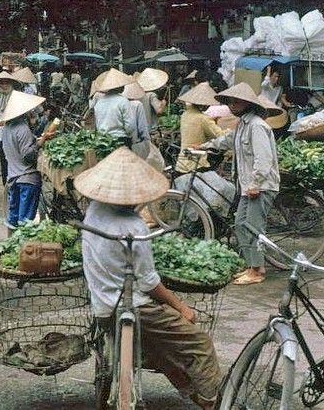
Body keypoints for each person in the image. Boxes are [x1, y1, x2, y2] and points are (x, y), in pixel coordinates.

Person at [74, 147, 222, 409]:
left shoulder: (93, 210)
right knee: (200, 344)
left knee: (161, 349)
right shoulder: (134, 226)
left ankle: (192, 393)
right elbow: (148, 282)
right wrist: (181, 306)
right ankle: (215, 403)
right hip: (134, 306)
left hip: (103, 307)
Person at [198, 83, 279, 285]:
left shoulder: (257, 126)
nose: (233, 105)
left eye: (237, 101)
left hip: (260, 186)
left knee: (253, 227)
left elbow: (264, 159)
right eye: (231, 101)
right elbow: (226, 141)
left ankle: (257, 271)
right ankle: (252, 265)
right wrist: (203, 146)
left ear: (248, 103)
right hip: (247, 185)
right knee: (240, 224)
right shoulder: (242, 125)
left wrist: (255, 184)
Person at [0, 91, 51, 231]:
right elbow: (28, 155)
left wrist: (34, 129)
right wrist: (43, 141)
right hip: (27, 178)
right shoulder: (22, 129)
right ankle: (23, 248)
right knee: (25, 223)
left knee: (13, 219)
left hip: (13, 177)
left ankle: (11, 247)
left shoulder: (6, 127)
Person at [175, 83, 227, 173]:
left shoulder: (185, 114)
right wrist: (231, 130)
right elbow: (219, 135)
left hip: (182, 160)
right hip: (196, 161)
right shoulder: (203, 118)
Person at [0, 71, 23, 185]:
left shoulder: (16, 97)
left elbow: (14, 116)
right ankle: (6, 186)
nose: (4, 85)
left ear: (11, 84)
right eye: (2, 83)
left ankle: (15, 183)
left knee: (13, 160)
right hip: (1, 135)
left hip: (13, 132)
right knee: (3, 161)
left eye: (7, 83)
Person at [93, 68, 136, 145]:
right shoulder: (123, 101)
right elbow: (130, 126)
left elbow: (97, 124)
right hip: (120, 139)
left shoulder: (99, 102)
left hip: (103, 141)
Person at [122, 82, 151, 159]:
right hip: (134, 143)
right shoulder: (137, 104)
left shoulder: (118, 104)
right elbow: (142, 128)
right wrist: (148, 143)